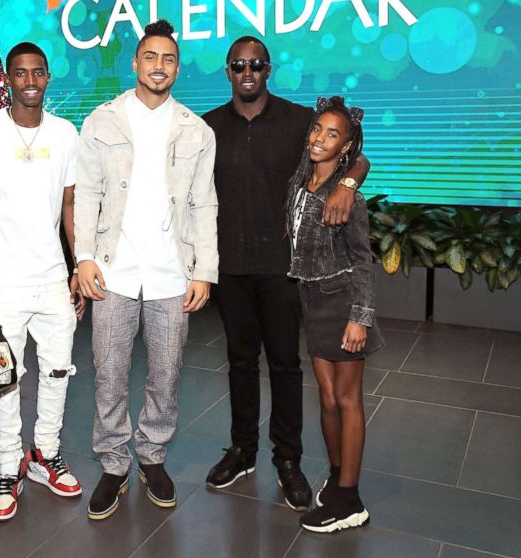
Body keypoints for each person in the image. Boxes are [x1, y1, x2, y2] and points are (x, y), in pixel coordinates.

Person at [201, 36, 371, 512]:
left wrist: (348, 184)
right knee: (239, 363)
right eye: (239, 65)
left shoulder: (299, 122)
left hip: (284, 270)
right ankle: (242, 450)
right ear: (228, 71)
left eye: (256, 64)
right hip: (229, 267)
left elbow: (356, 153)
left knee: (285, 365)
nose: (247, 72)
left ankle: (288, 459)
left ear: (268, 69)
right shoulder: (207, 127)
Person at [74, 19, 219, 521]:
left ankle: (152, 456)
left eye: (169, 59)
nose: (159, 66)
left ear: (178, 68)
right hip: (113, 270)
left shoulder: (197, 130)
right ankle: (114, 463)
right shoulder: (103, 121)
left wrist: (204, 271)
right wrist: (84, 256)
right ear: (135, 62)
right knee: (109, 374)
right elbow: (87, 193)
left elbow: (204, 204)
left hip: (172, 274)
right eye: (151, 57)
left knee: (166, 374)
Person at [0, 41, 85, 521]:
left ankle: (45, 453)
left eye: (38, 72)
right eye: (21, 73)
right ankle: (7, 463)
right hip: (3, 284)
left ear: (48, 77)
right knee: (4, 379)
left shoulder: (65, 133)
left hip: (53, 278)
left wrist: (78, 266)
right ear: (7, 79)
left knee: (58, 370)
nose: (30, 81)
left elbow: (70, 205)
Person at [285, 96, 383, 532]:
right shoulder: (300, 180)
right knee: (326, 398)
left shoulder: (348, 199)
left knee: (347, 400)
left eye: (332, 134)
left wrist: (360, 317)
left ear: (345, 146)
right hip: (312, 301)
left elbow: (363, 261)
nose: (319, 138)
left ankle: (349, 499)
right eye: (316, 129)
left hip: (342, 304)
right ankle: (339, 477)